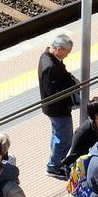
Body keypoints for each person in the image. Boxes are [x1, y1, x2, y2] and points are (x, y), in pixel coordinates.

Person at [38, 33, 77, 180]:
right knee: (64, 137)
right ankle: (54, 166)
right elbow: (53, 91)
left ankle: (54, 162)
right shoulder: (50, 66)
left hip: (53, 108)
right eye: (66, 53)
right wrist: (72, 84)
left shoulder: (48, 57)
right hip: (58, 109)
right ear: (59, 49)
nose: (67, 56)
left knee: (57, 135)